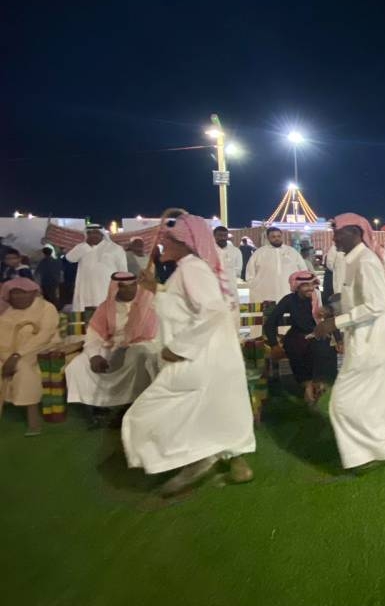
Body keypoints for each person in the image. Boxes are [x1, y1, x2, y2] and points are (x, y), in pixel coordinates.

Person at [123, 212, 254, 496]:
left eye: (170, 240)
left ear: (185, 243)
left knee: (150, 412)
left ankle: (194, 459)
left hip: (199, 355)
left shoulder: (193, 269)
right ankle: (232, 463)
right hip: (210, 355)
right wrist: (155, 288)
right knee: (215, 407)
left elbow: (212, 311)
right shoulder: (187, 269)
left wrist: (179, 349)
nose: (164, 244)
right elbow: (183, 304)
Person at [312, 214, 385, 470]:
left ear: (355, 233)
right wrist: (333, 309)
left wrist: (335, 323)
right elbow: (357, 299)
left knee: (342, 400)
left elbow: (375, 305)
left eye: (338, 233)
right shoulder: (352, 259)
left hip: (372, 340)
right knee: (376, 397)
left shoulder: (366, 261)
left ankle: (366, 453)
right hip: (363, 336)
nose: (334, 238)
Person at [65, 272, 160, 422]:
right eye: (123, 287)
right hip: (113, 344)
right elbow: (93, 335)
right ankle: (97, 406)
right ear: (115, 288)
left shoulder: (150, 303)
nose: (129, 290)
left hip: (143, 343)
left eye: (132, 286)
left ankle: (130, 406)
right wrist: (94, 356)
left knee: (137, 357)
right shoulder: (106, 308)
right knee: (77, 365)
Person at [263, 270, 336, 407]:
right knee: (298, 347)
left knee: (324, 348)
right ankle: (308, 386)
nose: (310, 288)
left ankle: (320, 386)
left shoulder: (320, 298)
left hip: (318, 336)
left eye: (312, 284)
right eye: (306, 285)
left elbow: (333, 319)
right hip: (297, 336)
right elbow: (270, 323)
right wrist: (274, 345)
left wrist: (339, 340)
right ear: (297, 286)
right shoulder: (289, 300)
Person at [0, 278, 60, 435]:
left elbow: (44, 336)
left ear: (34, 293)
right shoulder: (6, 310)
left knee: (23, 369)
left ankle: (33, 419)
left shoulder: (46, 308)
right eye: (14, 294)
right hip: (7, 352)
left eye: (23, 293)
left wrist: (16, 356)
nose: (19, 297)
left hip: (39, 349)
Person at [65, 224, 128, 311]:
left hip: (106, 290)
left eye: (95, 232)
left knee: (106, 314)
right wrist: (86, 245)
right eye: (89, 233)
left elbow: (123, 271)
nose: (92, 235)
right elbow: (70, 258)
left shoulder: (115, 248)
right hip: (85, 291)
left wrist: (122, 289)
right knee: (87, 316)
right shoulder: (81, 247)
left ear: (102, 234)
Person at [245, 227, 309, 304]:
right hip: (265, 293)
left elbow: (303, 271)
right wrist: (254, 285)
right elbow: (250, 272)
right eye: (273, 237)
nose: (277, 239)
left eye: (279, 236)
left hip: (288, 291)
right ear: (268, 238)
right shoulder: (259, 253)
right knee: (268, 311)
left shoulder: (292, 252)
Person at [214, 226, 244, 292]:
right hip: (213, 288)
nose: (223, 238)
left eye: (225, 235)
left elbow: (238, 270)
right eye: (220, 235)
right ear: (214, 236)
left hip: (230, 288)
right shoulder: (208, 251)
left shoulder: (235, 251)